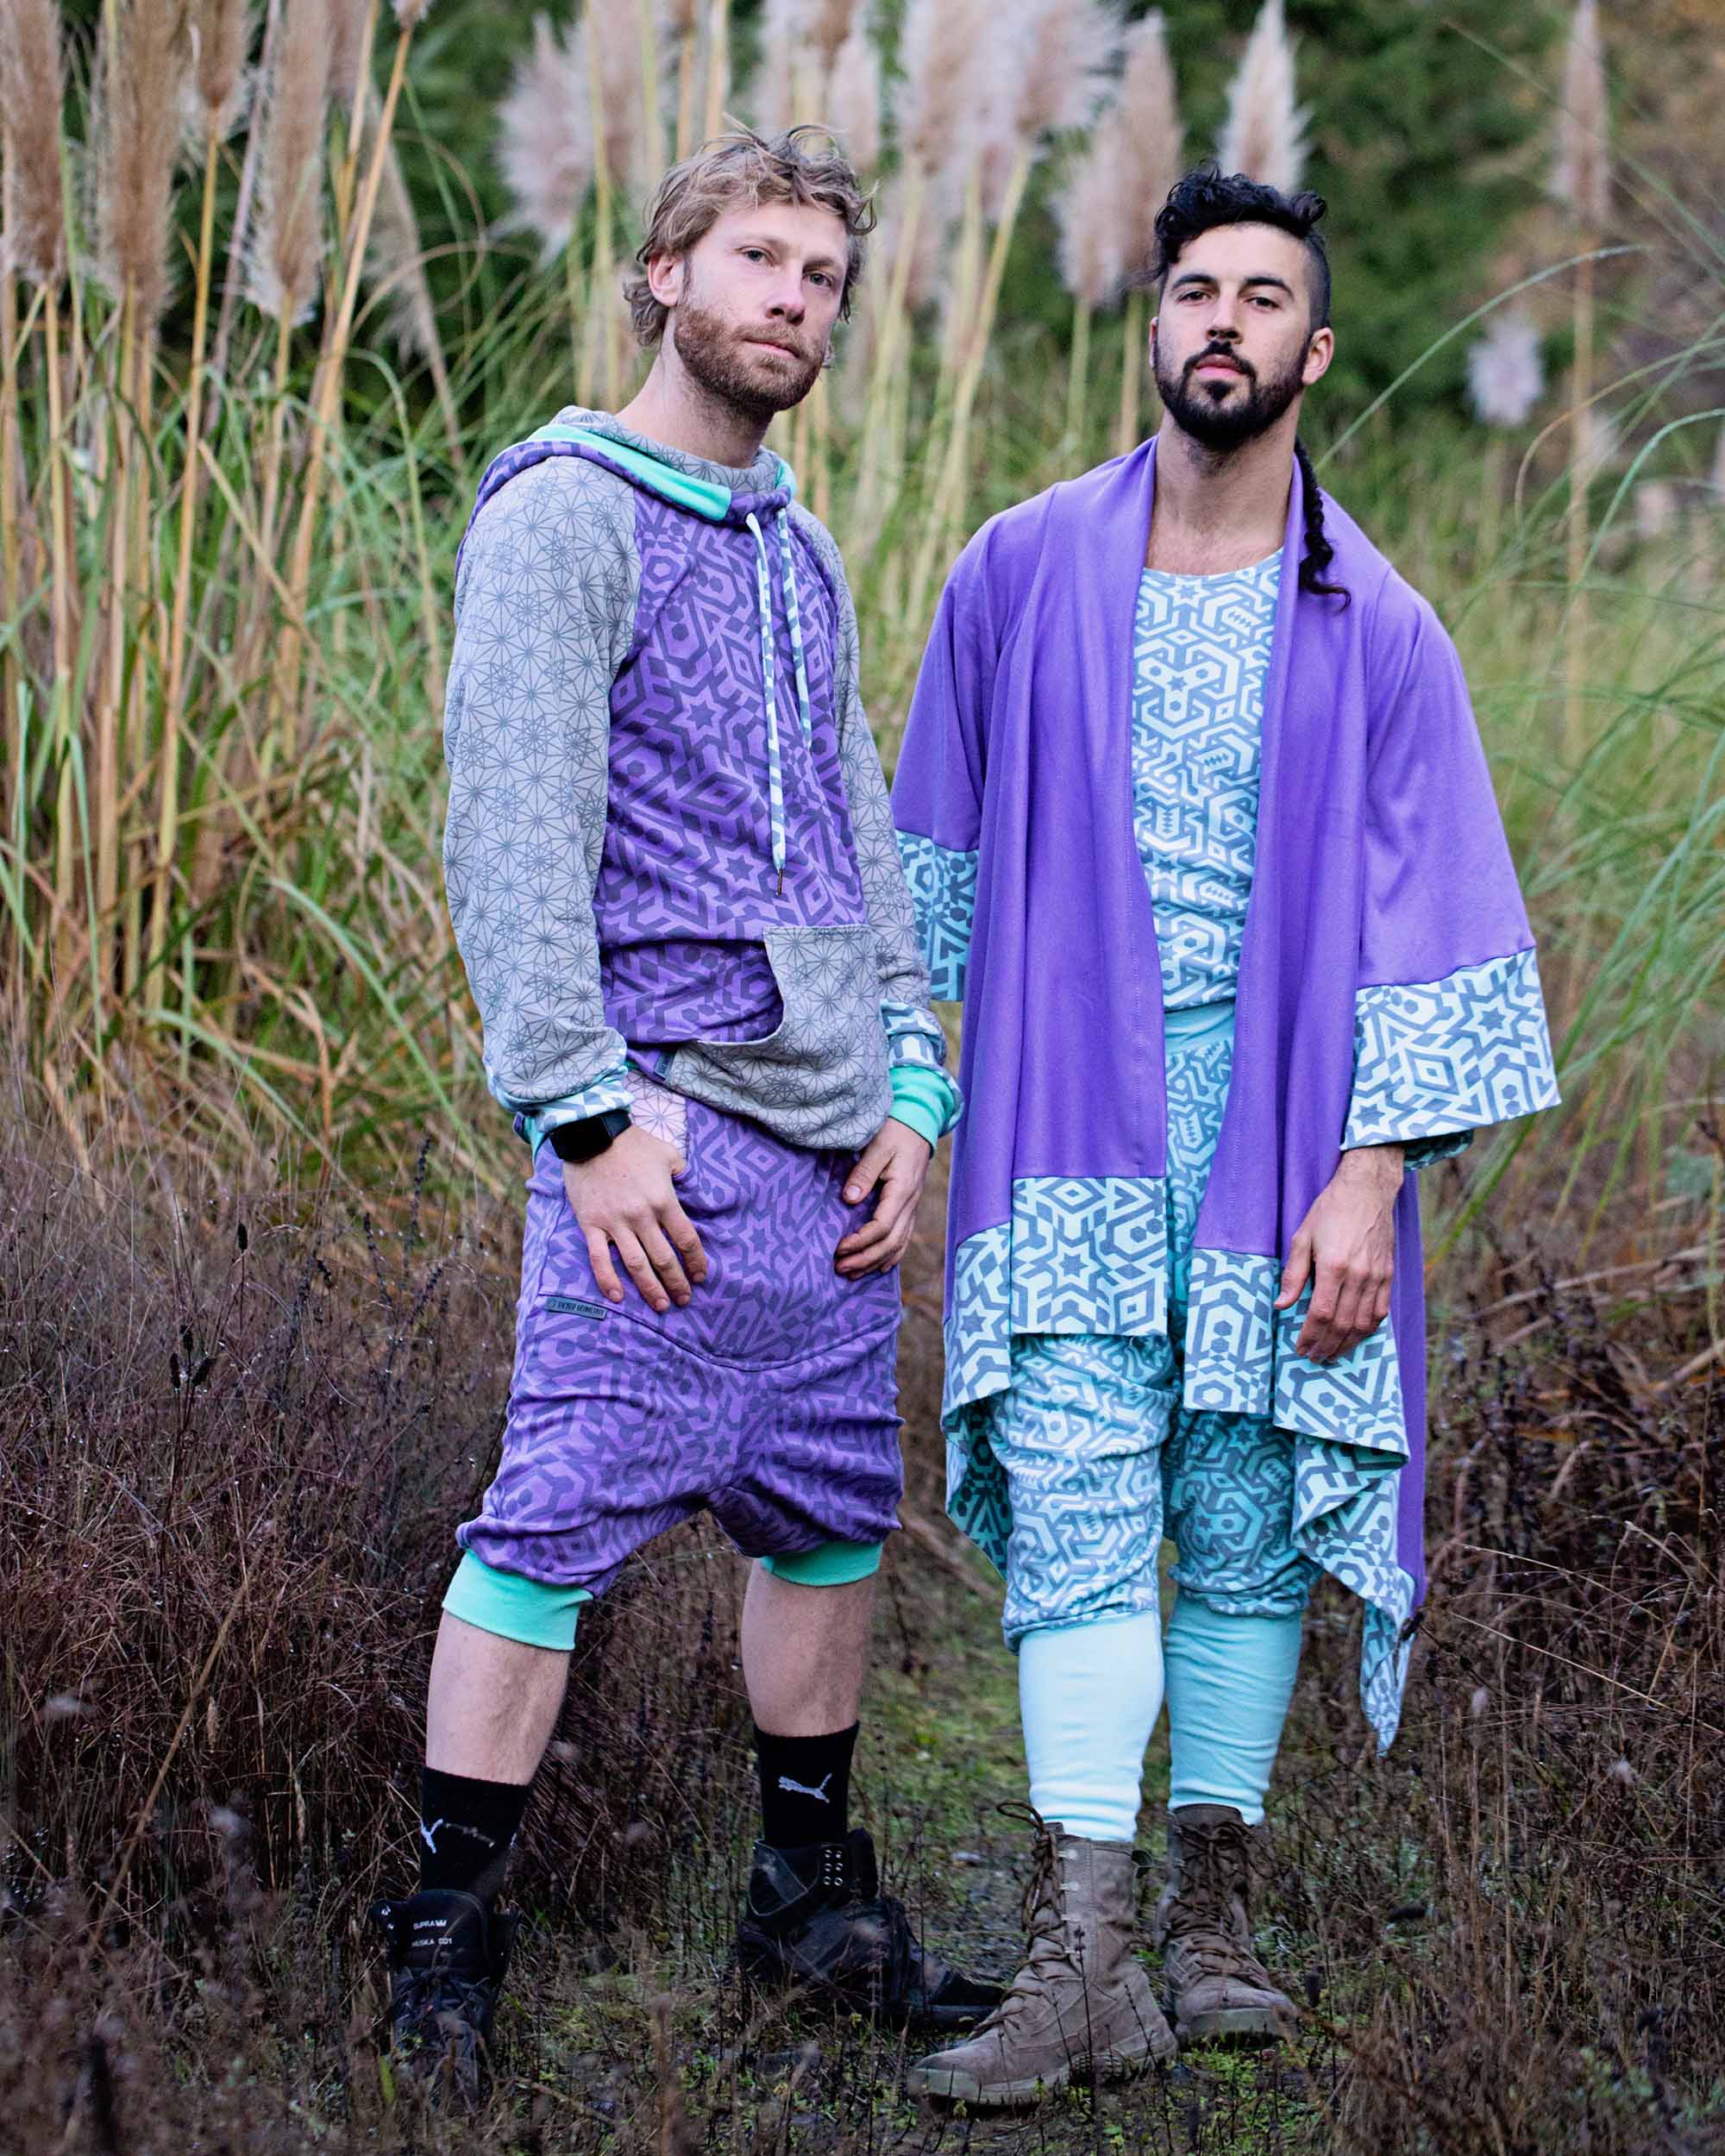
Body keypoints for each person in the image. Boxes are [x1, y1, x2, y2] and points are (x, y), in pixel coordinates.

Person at [892, 166, 1561, 2107]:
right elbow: (923, 877)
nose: (1223, 323)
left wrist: (1372, 1172)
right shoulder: (1017, 568)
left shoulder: (1384, 629)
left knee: (1251, 1515)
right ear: (1156, 324)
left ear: (1312, 351)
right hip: (1063, 1108)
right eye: (1195, 289)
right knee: (1090, 1502)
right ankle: (1077, 1952)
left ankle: (1211, 1912)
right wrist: (915, 1103)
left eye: (1263, 298)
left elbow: (1439, 916)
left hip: (1283, 1132)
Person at [373, 128, 997, 2103]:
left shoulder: (797, 544)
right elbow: (512, 831)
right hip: (656, 1130)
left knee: (826, 1517)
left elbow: (855, 839)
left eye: (820, 273)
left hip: (825, 1149)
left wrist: (912, 1079)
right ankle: (442, 1932)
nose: (791, 300)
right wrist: (580, 1114)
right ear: (664, 274)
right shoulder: (568, 513)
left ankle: (806, 1905)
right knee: (550, 1515)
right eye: (756, 259)